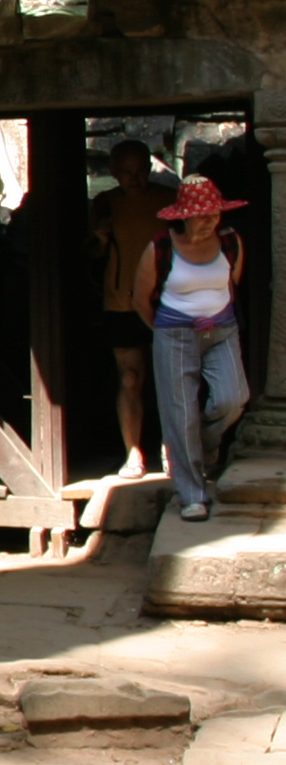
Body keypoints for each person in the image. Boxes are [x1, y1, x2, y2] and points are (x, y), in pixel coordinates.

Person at [133, 176, 253, 520]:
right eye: (202, 215)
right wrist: (171, 329)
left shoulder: (230, 242)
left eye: (214, 214)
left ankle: (203, 443)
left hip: (222, 330)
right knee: (179, 412)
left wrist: (213, 316)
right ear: (183, 216)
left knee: (234, 398)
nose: (210, 220)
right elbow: (141, 299)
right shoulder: (161, 246)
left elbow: (231, 284)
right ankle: (192, 495)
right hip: (175, 335)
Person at [90, 139, 178, 477]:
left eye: (140, 171)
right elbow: (92, 257)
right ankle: (134, 454)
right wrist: (99, 238)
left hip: (166, 301)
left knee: (171, 379)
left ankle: (170, 449)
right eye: (126, 173)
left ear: (150, 168)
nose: (134, 179)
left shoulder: (169, 200)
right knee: (129, 378)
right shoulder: (105, 203)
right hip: (121, 301)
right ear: (113, 173)